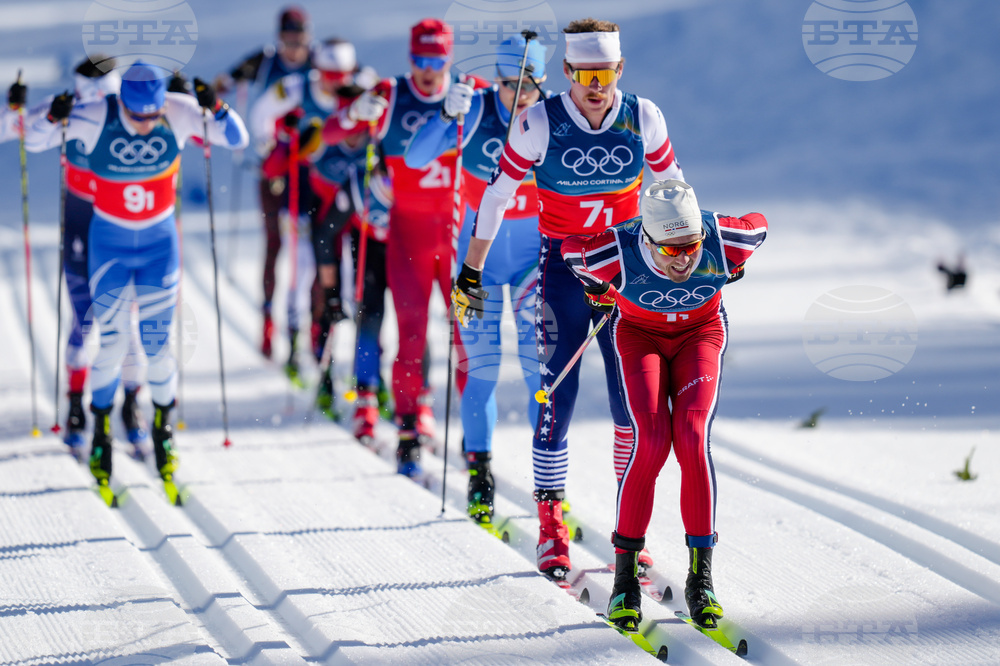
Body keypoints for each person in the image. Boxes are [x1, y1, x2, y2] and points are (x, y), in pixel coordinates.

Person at [453, 18, 684, 578]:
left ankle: (633, 532)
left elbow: (673, 188)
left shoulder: (643, 116)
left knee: (634, 411)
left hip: (627, 280)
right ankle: (551, 526)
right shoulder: (538, 121)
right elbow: (497, 194)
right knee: (556, 397)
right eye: (584, 75)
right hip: (563, 277)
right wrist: (471, 271)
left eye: (604, 74)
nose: (595, 86)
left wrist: (685, 258)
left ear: (619, 71)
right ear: (567, 73)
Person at [26, 61, 249, 496]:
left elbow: (237, 138)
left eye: (153, 114)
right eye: (138, 116)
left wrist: (216, 107)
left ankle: (164, 426)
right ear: (123, 103)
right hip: (108, 242)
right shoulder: (96, 115)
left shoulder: (180, 110)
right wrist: (53, 115)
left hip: (159, 246)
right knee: (111, 341)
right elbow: (35, 143)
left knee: (157, 343)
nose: (147, 124)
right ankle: (101, 431)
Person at [562, 179, 767, 630]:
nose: (684, 260)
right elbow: (570, 250)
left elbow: (759, 225)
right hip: (641, 338)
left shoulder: (725, 240)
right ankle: (624, 583)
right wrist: (597, 289)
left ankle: (702, 580)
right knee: (652, 442)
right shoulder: (613, 250)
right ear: (646, 238)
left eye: (691, 247)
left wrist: (732, 266)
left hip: (701, 334)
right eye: (670, 251)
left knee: (692, 440)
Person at [322, 18, 488, 477]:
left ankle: (476, 441)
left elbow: (521, 114)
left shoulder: (471, 90)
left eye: (437, 61)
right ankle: (410, 430)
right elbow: (331, 135)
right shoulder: (390, 94)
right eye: (419, 60)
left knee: (467, 338)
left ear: (449, 58)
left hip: (460, 242)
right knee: (411, 333)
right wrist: (355, 115)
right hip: (407, 238)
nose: (428, 71)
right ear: (410, 56)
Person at [405, 35, 548, 523]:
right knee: (482, 371)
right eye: (510, 84)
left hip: (533, 263)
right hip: (475, 266)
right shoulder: (473, 111)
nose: (520, 94)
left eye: (530, 84)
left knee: (539, 373)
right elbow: (415, 159)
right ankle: (480, 476)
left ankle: (547, 488)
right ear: (497, 80)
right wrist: (445, 115)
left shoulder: (554, 118)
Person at [4, 60, 153, 458]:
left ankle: (131, 404)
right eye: (89, 97)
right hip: (81, 219)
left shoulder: (133, 110)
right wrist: (17, 110)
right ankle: (75, 408)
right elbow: (14, 131)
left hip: (124, 221)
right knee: (85, 317)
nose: (95, 108)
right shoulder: (65, 105)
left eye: (104, 97)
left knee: (131, 320)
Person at [250, 38, 358, 384]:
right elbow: (260, 114)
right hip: (302, 190)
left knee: (337, 269)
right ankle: (295, 340)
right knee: (301, 264)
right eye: (329, 74)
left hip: (338, 193)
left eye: (341, 75)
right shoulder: (297, 88)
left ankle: (320, 338)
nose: (335, 83)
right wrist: (276, 147)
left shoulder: (357, 92)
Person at [215, 6, 313, 359]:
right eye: (287, 38)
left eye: (298, 38)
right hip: (273, 168)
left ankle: (307, 328)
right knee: (274, 244)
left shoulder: (316, 64)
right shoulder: (266, 61)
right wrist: (228, 85)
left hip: (309, 166)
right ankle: (268, 323)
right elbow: (223, 82)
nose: (293, 46)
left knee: (312, 249)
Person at [310, 85, 393, 436]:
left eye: (363, 127)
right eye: (352, 125)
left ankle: (385, 384)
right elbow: (322, 228)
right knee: (341, 299)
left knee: (379, 309)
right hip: (342, 221)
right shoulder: (328, 147)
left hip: (374, 229)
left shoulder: (381, 145)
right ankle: (329, 369)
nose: (357, 134)